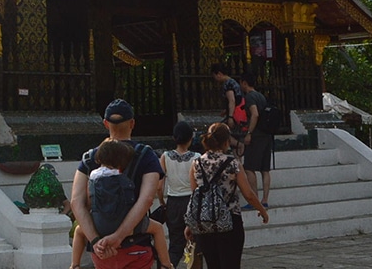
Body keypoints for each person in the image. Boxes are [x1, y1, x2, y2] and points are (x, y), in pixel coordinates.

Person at [71, 99, 167, 269]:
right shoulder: (146, 156)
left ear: (105, 124)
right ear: (132, 123)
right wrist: (118, 236)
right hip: (136, 244)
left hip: (101, 249)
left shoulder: (89, 158)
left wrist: (96, 241)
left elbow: (76, 202)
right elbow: (146, 200)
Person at [184, 122, 267, 269]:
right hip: (230, 220)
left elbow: (195, 194)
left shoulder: (196, 163)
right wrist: (261, 209)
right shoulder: (232, 163)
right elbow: (248, 193)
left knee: (213, 265)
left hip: (205, 221)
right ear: (226, 141)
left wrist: (191, 224)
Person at [158, 120, 197, 268]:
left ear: (174, 138)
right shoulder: (197, 157)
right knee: (194, 242)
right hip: (191, 201)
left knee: (175, 244)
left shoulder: (165, 157)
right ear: (191, 138)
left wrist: (162, 202)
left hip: (173, 202)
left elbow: (159, 186)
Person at [237, 72, 271, 209]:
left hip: (256, 135)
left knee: (249, 168)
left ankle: (255, 199)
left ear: (244, 83)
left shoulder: (250, 97)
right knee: (265, 169)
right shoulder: (261, 96)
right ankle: (265, 199)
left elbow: (255, 114)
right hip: (267, 134)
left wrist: (249, 133)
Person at [211, 63, 247, 154]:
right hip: (239, 113)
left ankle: (239, 145)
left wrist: (230, 117)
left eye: (214, 75)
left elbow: (232, 100)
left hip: (234, 115)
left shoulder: (228, 84)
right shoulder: (233, 82)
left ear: (219, 74)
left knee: (221, 132)